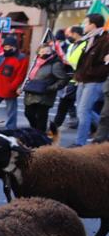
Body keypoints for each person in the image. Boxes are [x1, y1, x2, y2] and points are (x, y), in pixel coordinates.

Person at [73, 14, 109, 146]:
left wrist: (91, 73)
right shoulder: (87, 39)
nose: (83, 25)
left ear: (93, 24)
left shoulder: (105, 39)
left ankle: (80, 142)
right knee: (82, 110)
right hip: (82, 80)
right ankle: (104, 128)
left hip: (94, 81)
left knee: (83, 111)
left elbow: (106, 64)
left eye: (85, 22)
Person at [0, 36, 29, 130]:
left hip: (9, 89)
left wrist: (12, 87)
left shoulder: (21, 58)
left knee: (11, 111)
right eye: (5, 47)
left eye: (9, 47)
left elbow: (20, 76)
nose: (7, 49)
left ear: (15, 47)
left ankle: (11, 128)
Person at [22, 43, 68, 132]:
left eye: (48, 51)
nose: (45, 53)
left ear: (52, 52)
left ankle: (40, 135)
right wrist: (22, 86)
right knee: (28, 114)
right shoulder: (35, 62)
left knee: (41, 116)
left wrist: (50, 88)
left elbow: (63, 79)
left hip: (45, 95)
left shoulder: (55, 64)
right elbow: (28, 76)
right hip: (31, 93)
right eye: (42, 51)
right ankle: (36, 131)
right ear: (38, 52)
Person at [53, 26, 85, 130]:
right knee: (69, 103)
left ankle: (55, 125)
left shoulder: (85, 45)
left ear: (75, 33)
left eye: (69, 34)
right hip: (69, 78)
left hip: (77, 79)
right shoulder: (71, 45)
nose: (68, 36)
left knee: (66, 102)